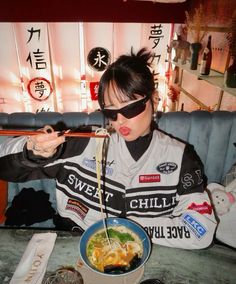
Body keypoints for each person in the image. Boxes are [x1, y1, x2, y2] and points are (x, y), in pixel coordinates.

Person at [0, 48, 217, 249]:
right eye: (110, 112)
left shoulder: (180, 158)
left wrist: (128, 231)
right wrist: (32, 151)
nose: (119, 120)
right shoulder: (84, 141)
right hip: (74, 246)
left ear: (154, 99)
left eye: (131, 108)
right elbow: (5, 168)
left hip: (144, 252)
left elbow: (201, 228)